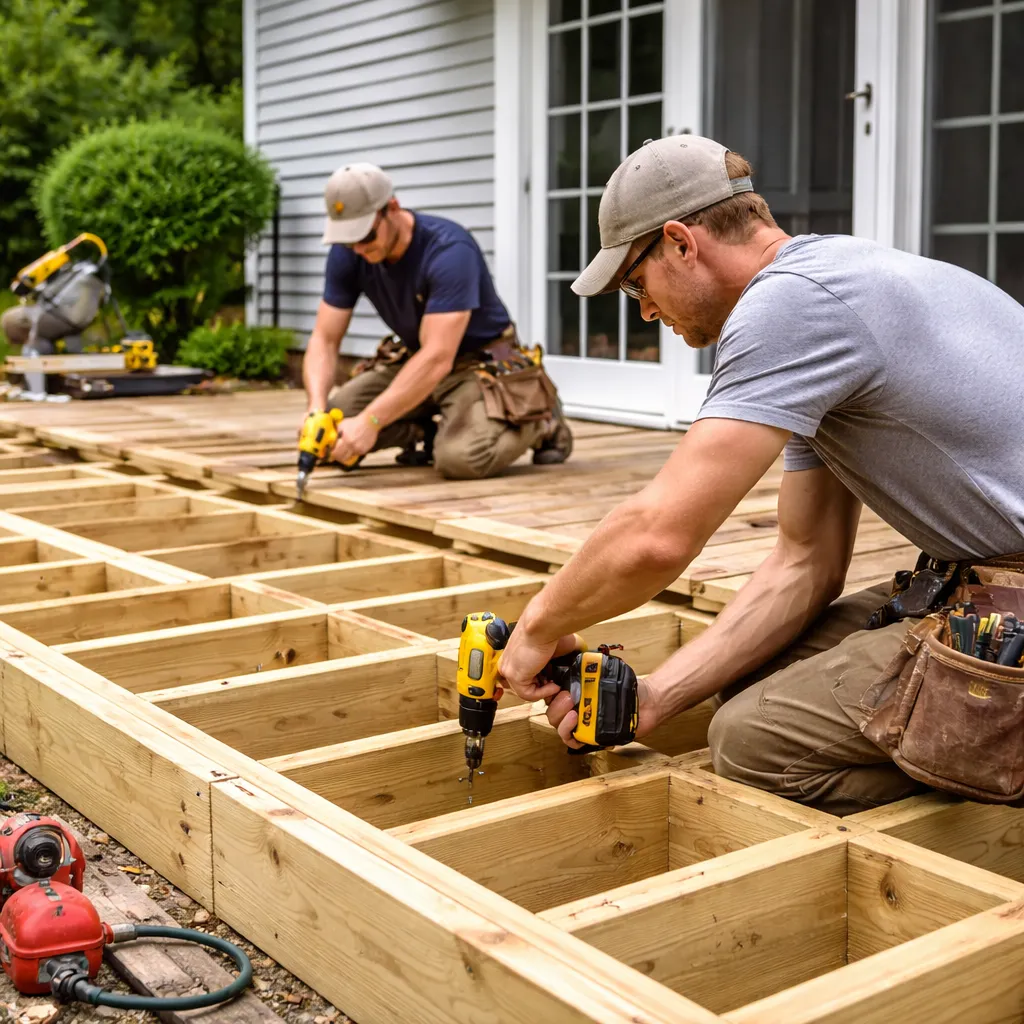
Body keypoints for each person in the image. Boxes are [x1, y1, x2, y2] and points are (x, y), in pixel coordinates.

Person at [496, 134, 1024, 816]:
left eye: (636, 283)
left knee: (752, 745)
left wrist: (539, 625)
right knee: (751, 680)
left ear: (683, 243)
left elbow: (657, 535)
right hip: (987, 582)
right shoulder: (833, 285)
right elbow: (804, 564)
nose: (645, 311)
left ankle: (996, 773)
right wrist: (655, 699)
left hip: (1007, 595)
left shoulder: (790, 307)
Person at [300, 163, 572, 478]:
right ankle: (425, 433)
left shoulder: (449, 251)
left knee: (461, 459)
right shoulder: (350, 254)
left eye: (366, 235)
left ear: (392, 208)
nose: (358, 248)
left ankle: (539, 419)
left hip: (477, 364)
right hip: (419, 359)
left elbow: (437, 358)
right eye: (349, 240)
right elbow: (324, 338)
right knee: (333, 428)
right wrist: (315, 410)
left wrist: (371, 421)